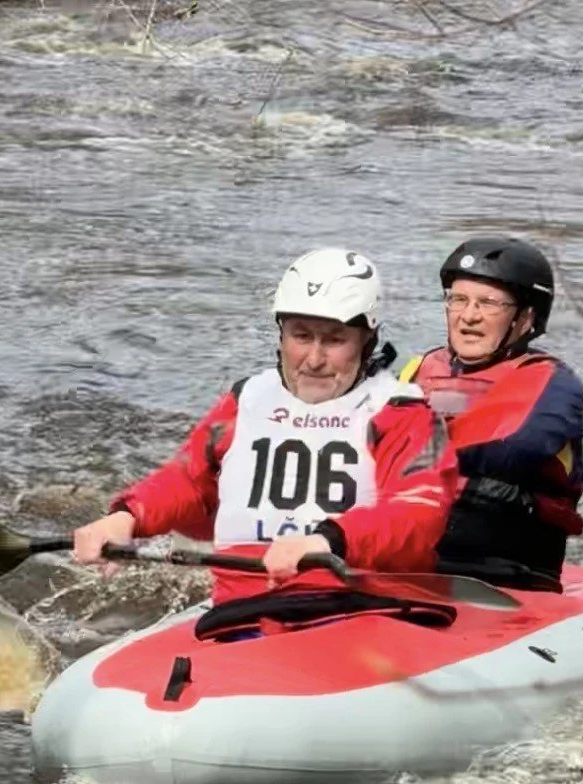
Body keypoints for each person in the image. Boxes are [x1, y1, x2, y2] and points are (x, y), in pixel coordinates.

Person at [72, 249, 457, 604]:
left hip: (361, 605)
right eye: (301, 336)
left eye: (335, 340)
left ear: (367, 341)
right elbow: (190, 482)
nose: (315, 359)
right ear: (281, 334)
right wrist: (126, 517)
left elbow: (418, 510)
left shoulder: (404, 412)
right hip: (242, 602)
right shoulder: (247, 400)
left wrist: (330, 539)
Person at [399, 236, 583, 588]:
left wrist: (403, 446)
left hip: (512, 570)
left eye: (489, 303)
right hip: (416, 559)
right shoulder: (418, 368)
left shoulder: (555, 382)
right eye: (459, 300)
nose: (469, 316)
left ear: (526, 317)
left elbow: (511, 451)